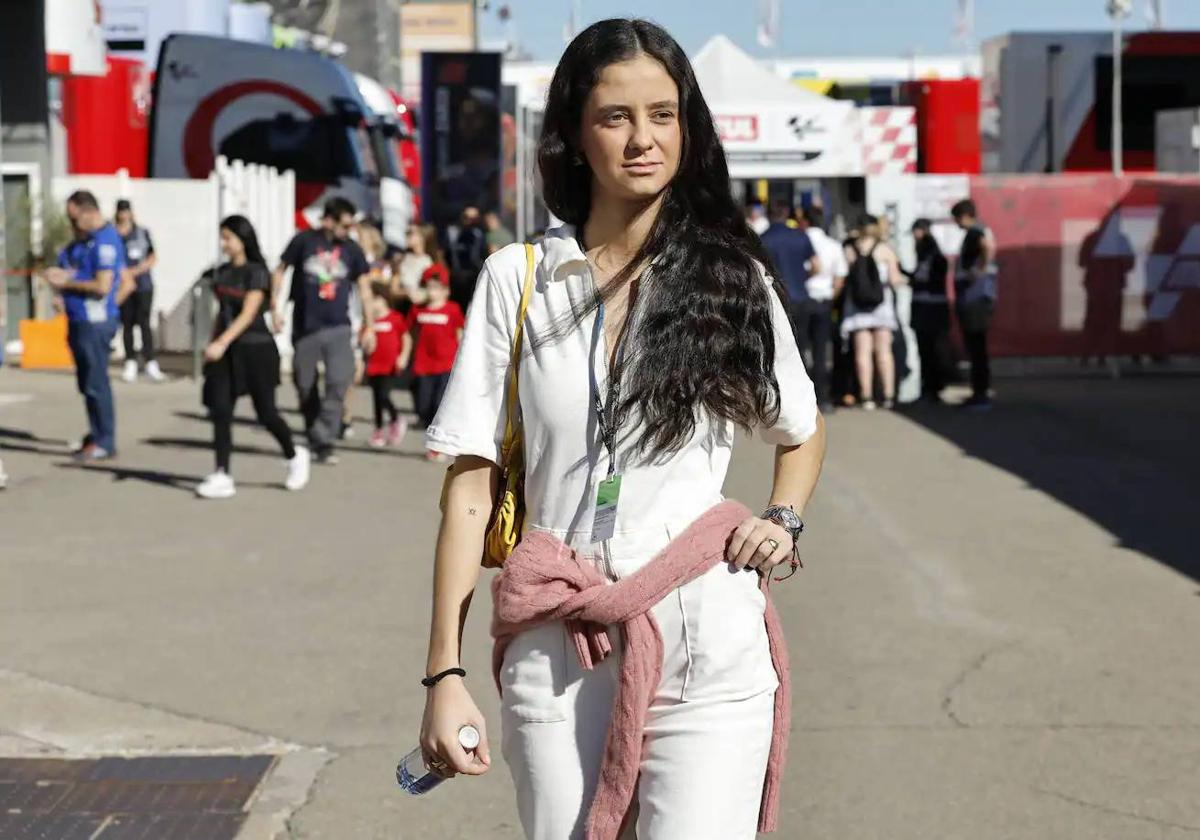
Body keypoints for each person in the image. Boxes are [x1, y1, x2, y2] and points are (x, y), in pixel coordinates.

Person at [417, 19, 826, 840]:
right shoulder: (518, 280)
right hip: (557, 638)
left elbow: (801, 429)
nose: (644, 139)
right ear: (574, 131)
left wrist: (781, 519)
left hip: (706, 630)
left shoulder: (731, 278)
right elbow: (469, 490)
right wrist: (444, 672)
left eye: (663, 115)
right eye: (616, 117)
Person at [197, 216, 309, 499]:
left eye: (228, 237)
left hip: (256, 349)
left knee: (266, 413)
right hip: (226, 350)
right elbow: (220, 313)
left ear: (242, 239)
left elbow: (248, 315)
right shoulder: (221, 272)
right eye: (222, 237)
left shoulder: (257, 273)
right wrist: (214, 342)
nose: (224, 243)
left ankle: (294, 455)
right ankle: (222, 474)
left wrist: (221, 342)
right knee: (221, 410)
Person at [271, 197, 375, 464]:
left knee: (340, 381)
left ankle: (323, 437)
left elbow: (364, 289)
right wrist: (275, 307)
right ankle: (315, 433)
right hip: (306, 327)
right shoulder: (303, 241)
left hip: (339, 326)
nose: (348, 230)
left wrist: (370, 325)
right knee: (304, 384)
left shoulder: (352, 250)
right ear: (328, 220)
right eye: (344, 224)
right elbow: (280, 270)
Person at [43, 191, 127, 461]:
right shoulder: (81, 244)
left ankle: (106, 440)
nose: (71, 224)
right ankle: (96, 433)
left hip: (95, 322)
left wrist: (65, 283)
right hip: (78, 320)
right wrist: (60, 291)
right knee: (86, 382)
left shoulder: (105, 242)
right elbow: (73, 271)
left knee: (96, 382)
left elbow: (103, 286)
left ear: (89, 212)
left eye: (74, 218)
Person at [841, 214, 905, 410]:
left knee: (862, 353)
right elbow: (895, 279)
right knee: (884, 352)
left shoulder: (850, 250)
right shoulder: (885, 249)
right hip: (881, 306)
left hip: (857, 308)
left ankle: (866, 396)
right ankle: (888, 396)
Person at [398, 267, 464, 450]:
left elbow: (460, 335)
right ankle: (428, 427)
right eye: (429, 287)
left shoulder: (453, 310)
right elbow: (408, 334)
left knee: (439, 404)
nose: (432, 292)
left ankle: (437, 445)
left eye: (436, 287)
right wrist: (404, 356)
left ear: (446, 291)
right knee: (423, 405)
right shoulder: (417, 310)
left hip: (446, 365)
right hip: (423, 364)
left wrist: (463, 361)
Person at [951, 199, 997, 410]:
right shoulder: (978, 231)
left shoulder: (976, 231)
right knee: (974, 345)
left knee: (976, 344)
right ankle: (979, 391)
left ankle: (981, 393)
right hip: (973, 295)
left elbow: (986, 247)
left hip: (974, 297)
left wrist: (980, 269)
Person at [798, 206, 845, 410]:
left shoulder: (800, 241)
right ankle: (823, 398)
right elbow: (840, 278)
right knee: (821, 351)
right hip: (824, 300)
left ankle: (802, 398)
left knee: (800, 350)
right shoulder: (834, 245)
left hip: (801, 299)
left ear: (805, 221)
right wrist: (830, 298)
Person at [113, 200, 165, 383]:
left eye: (126, 211)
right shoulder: (113, 234)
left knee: (144, 322)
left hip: (143, 284)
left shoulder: (142, 233)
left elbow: (152, 256)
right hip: (123, 286)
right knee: (127, 323)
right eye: (121, 211)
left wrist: (138, 270)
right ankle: (130, 361)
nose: (124, 215)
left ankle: (150, 361)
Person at [907, 219, 952, 403]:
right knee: (927, 350)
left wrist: (912, 280)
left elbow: (927, 280)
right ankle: (930, 387)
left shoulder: (933, 257)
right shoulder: (928, 256)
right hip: (928, 308)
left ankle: (933, 387)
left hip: (929, 309)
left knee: (930, 350)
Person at [364, 282, 409, 448]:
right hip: (374, 364)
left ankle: (396, 418)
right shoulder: (370, 322)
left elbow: (406, 338)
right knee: (376, 398)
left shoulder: (395, 318)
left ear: (382, 299)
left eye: (374, 300)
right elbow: (365, 343)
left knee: (383, 395)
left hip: (389, 364)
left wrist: (403, 356)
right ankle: (378, 430)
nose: (371, 305)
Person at [392, 223, 439, 308]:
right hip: (403, 306)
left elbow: (435, 290)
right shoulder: (401, 260)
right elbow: (394, 290)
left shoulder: (429, 262)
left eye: (410, 233)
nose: (407, 235)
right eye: (406, 232)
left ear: (422, 237)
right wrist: (406, 293)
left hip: (422, 309)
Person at [447, 206, 485, 305]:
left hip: (475, 278)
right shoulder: (453, 232)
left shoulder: (480, 234)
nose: (470, 221)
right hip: (456, 278)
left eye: (474, 219)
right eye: (466, 217)